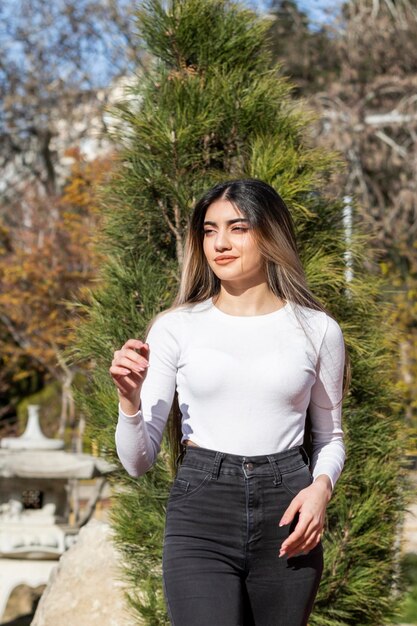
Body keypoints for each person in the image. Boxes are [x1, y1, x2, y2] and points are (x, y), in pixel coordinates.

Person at [110, 178, 350, 626]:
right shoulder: (175, 327)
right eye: (208, 230)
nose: (219, 243)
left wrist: (320, 489)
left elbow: (331, 436)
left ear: (270, 233)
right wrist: (129, 400)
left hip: (288, 509)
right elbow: (137, 462)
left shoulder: (318, 330)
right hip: (202, 510)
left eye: (237, 228)